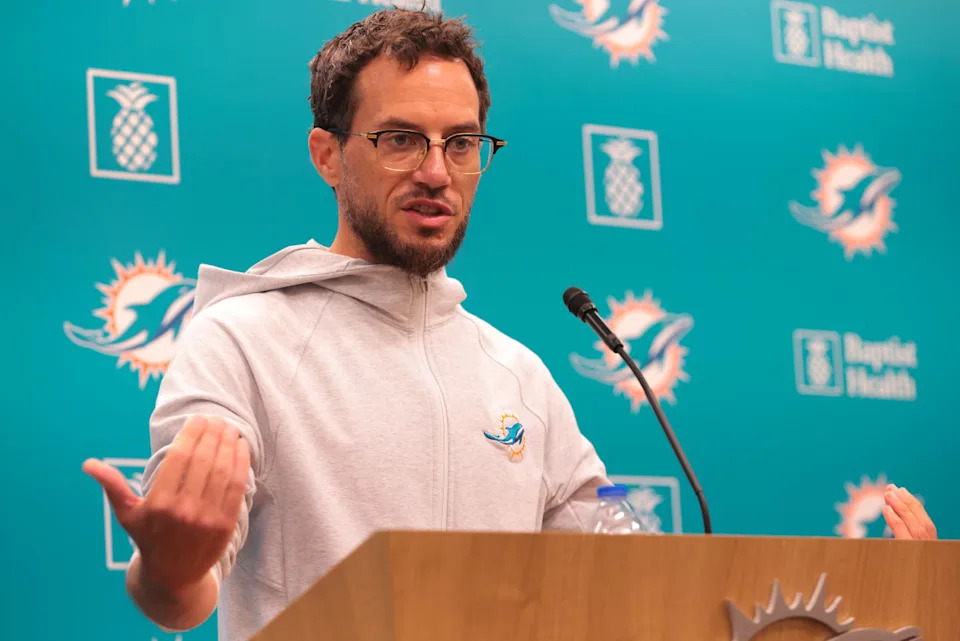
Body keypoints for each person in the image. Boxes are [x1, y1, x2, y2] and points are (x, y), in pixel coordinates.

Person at [81, 7, 939, 641]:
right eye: (399, 140)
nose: (437, 171)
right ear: (328, 153)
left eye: (462, 143)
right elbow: (180, 597)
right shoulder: (240, 338)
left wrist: (860, 599)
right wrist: (170, 558)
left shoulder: (518, 373)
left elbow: (621, 559)